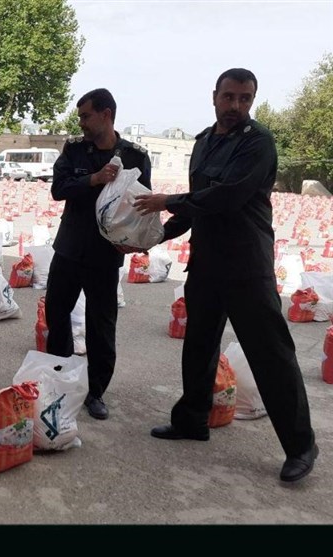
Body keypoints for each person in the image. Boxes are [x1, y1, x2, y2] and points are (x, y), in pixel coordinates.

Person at [133, 68, 318, 483]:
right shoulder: (203, 142)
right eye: (229, 96)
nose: (236, 105)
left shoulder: (258, 143)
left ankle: (301, 445)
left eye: (245, 98)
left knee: (270, 354)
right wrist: (154, 236)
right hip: (207, 262)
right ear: (214, 96)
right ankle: (192, 420)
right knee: (199, 344)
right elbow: (197, 207)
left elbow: (227, 196)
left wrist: (167, 200)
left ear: (252, 100)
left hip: (246, 266)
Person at [45, 88, 151, 420]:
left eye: (86, 116)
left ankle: (96, 392)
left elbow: (141, 206)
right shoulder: (75, 149)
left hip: (105, 255)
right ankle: (60, 380)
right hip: (69, 248)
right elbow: (58, 189)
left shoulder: (135, 156)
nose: (81, 122)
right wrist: (93, 179)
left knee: (101, 326)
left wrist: (138, 240)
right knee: (57, 317)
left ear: (106, 115)